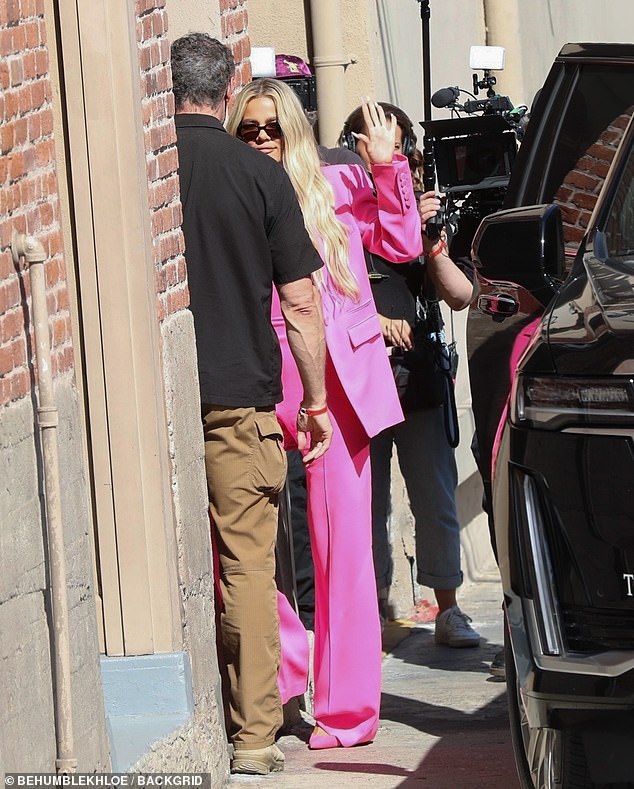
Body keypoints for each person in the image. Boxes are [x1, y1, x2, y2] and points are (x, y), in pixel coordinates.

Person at [227, 80, 422, 748]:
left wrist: (390, 166)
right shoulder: (236, 192)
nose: (259, 142)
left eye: (269, 130)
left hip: (338, 386)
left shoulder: (335, 185)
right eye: (247, 132)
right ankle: (290, 662)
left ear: (293, 133)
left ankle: (346, 711)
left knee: (345, 553)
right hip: (261, 378)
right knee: (239, 536)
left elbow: (400, 243)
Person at [171, 34, 334, 776]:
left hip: (157, 400)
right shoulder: (258, 176)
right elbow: (301, 302)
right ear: (226, 86)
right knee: (246, 568)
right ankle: (254, 734)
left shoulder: (148, 169)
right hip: (240, 399)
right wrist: (317, 402)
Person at [339, 102, 481, 648]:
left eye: (401, 152)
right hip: (359, 376)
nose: (391, 161)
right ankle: (372, 611)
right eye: (377, 148)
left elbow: (462, 294)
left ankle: (448, 607)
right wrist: (375, 321)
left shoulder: (424, 219)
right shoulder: (342, 216)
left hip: (418, 376)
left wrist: (432, 243)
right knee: (368, 503)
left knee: (435, 496)